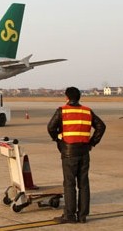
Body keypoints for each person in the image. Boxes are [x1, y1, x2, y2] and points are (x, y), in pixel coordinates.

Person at [47, 87, 106, 224]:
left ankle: (69, 215)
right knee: (84, 184)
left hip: (68, 152)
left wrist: (58, 139)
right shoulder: (87, 111)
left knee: (69, 184)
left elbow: (50, 127)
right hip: (84, 152)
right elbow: (101, 126)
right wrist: (92, 143)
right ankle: (82, 215)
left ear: (67, 97)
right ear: (79, 97)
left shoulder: (62, 110)